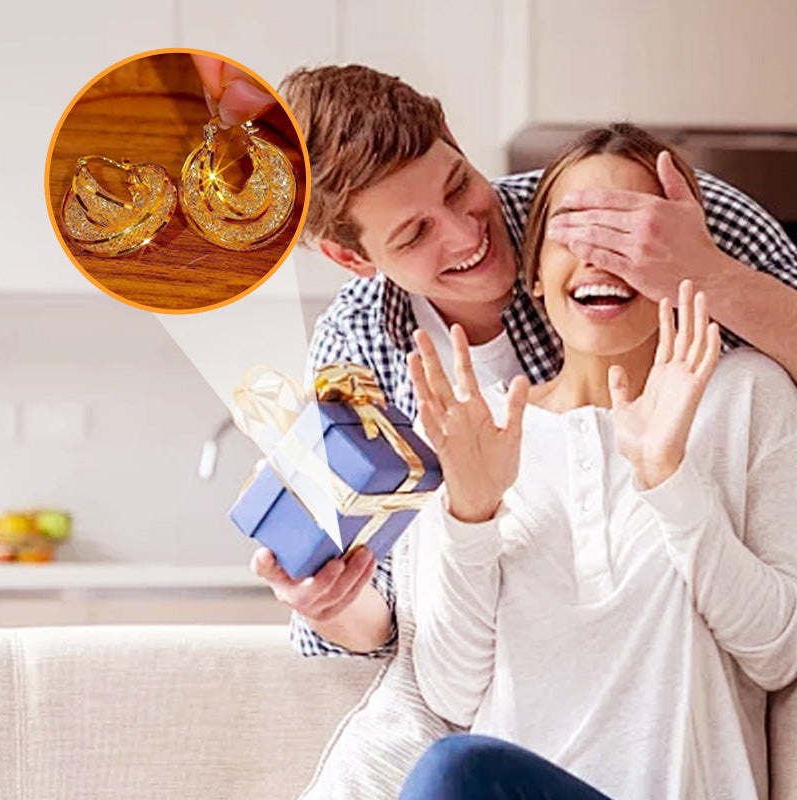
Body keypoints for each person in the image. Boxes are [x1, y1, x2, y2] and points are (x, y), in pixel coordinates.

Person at [209, 63, 797, 658]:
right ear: (349, 257)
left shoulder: (636, 212)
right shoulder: (358, 350)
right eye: (415, 235)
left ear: (452, 136)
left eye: (458, 186)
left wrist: (711, 275)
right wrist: (333, 605)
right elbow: (390, 621)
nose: (465, 236)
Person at [399, 123, 797, 800]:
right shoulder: (475, 427)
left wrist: (670, 478)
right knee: (451, 770)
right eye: (574, 228)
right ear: (532, 274)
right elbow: (451, 692)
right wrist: (471, 512)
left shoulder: (744, 394)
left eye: (627, 231)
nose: (600, 256)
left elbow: (778, 655)